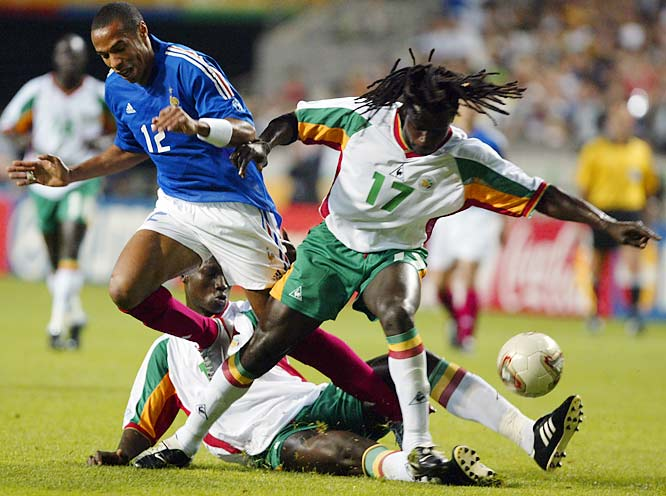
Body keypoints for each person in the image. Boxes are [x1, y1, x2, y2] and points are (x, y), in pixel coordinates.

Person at [136, 55, 642, 476]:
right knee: (268, 344)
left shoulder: (467, 158)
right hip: (332, 246)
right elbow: (294, 120)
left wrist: (606, 223)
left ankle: (420, 445)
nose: (424, 140)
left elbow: (542, 195)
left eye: (437, 131)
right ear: (404, 109)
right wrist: (265, 143)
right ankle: (186, 441)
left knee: (398, 312)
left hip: (394, 253)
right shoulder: (364, 118)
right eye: (419, 128)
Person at [92, 257, 580, 484]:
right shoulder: (166, 352)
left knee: (410, 363)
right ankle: (422, 472)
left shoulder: (253, 315)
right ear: (182, 280)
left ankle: (527, 433)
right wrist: (121, 455)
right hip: (264, 439)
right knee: (337, 450)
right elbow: (143, 423)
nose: (221, 285)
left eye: (225, 276)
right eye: (209, 275)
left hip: (311, 400)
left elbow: (320, 350)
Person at [5, 3, 288, 377]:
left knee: (280, 329)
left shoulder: (188, 66)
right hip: (177, 205)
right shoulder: (116, 86)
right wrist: (70, 175)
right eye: (104, 55)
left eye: (119, 48)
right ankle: (211, 337)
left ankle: (360, 394)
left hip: (234, 203)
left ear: (141, 32)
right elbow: (128, 148)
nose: (114, 62)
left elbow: (245, 128)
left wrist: (197, 126)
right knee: (126, 288)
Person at [0, 33, 115, 349]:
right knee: (55, 258)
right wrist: (16, 152)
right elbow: (8, 126)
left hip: (81, 177)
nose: (70, 62)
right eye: (65, 55)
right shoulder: (36, 91)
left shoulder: (100, 94)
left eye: (76, 56)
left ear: (85, 60)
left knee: (70, 247)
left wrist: (103, 143)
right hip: (41, 182)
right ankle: (75, 315)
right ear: (55, 58)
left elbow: (123, 130)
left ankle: (54, 326)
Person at [426, 106, 507, 351]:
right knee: (439, 285)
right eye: (463, 105)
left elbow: (504, 180)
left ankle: (466, 336)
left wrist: (504, 220)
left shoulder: (492, 142)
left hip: (479, 215)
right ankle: (457, 319)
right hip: (449, 213)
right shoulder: (441, 137)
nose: (467, 110)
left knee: (469, 271)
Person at [576, 100, 660, 334]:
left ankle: (634, 315)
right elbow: (584, 187)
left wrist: (648, 212)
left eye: (627, 121)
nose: (623, 125)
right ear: (610, 122)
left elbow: (649, 186)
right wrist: (584, 216)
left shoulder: (641, 150)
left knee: (633, 263)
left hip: (631, 212)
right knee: (598, 264)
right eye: (619, 121)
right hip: (602, 212)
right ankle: (595, 313)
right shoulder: (594, 149)